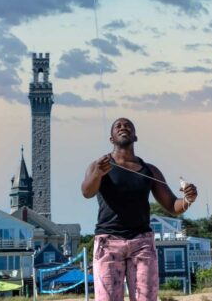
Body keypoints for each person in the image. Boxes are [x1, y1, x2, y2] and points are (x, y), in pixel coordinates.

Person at [81, 118, 198, 301]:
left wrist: (188, 199)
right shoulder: (99, 166)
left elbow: (172, 207)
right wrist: (97, 173)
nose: (123, 127)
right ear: (111, 138)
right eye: (118, 126)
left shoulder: (149, 170)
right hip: (108, 242)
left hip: (141, 242)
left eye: (127, 125)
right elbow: (87, 192)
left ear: (135, 137)